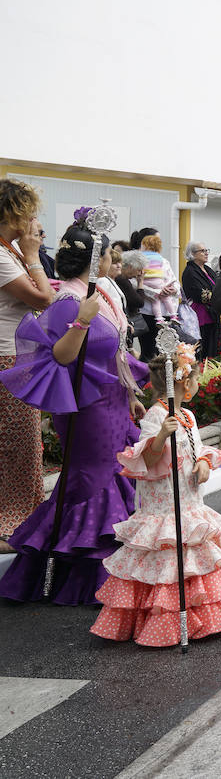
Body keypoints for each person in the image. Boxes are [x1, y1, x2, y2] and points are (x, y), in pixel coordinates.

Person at [0, 211, 147, 603]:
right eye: (108, 256)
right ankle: (80, 575)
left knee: (116, 473)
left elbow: (114, 353)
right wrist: (81, 322)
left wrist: (132, 394)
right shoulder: (68, 301)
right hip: (86, 409)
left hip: (113, 402)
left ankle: (122, 570)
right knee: (92, 480)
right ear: (96, 260)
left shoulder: (99, 296)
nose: (112, 263)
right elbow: (61, 358)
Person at [90, 344, 221, 644]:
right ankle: (165, 621)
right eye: (197, 380)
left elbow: (197, 449)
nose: (198, 385)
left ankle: (205, 612)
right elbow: (146, 460)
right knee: (166, 563)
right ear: (185, 383)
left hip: (189, 501)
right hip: (163, 507)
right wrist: (160, 436)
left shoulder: (187, 416)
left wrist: (203, 464)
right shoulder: (155, 418)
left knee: (195, 558)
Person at [0, 179, 56, 554]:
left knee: (24, 443)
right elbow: (44, 298)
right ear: (16, 214)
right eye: (31, 212)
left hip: (17, 354)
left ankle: (22, 519)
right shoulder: (4, 256)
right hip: (6, 356)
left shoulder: (9, 251)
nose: (36, 221)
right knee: (15, 444)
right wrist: (33, 255)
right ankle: (10, 525)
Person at [137, 234, 178, 359]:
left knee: (165, 350)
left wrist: (173, 289)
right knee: (148, 350)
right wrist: (156, 291)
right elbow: (135, 283)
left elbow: (175, 281)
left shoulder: (164, 261)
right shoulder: (139, 262)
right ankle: (147, 376)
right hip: (147, 312)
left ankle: (164, 377)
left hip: (166, 313)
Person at [181, 242, 219, 360]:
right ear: (192, 254)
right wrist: (220, 297)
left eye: (206, 250)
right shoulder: (190, 271)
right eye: (202, 251)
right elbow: (199, 294)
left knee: (213, 348)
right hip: (200, 315)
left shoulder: (207, 269)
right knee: (203, 348)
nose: (206, 253)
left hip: (212, 313)